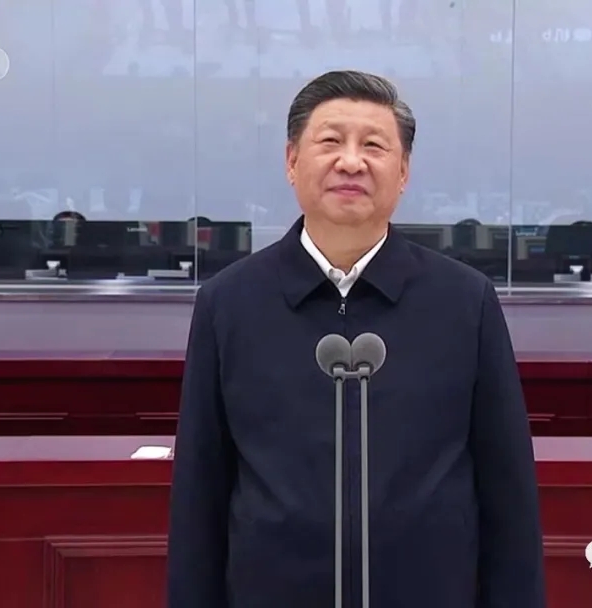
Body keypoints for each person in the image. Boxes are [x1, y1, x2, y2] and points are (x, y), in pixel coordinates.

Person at [168, 70, 546, 608]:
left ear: (403, 171)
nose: (351, 162)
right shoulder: (229, 303)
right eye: (330, 141)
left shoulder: (465, 301)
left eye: (373, 145)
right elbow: (199, 491)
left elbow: (508, 492)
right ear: (292, 161)